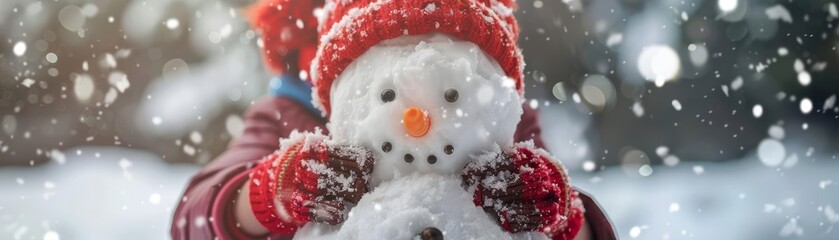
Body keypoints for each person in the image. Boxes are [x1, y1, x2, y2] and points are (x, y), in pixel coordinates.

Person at [171, 0, 616, 239]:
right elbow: (194, 221)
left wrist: (558, 216)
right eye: (394, 51)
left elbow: (581, 227)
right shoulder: (288, 115)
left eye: (439, 47)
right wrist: (270, 195)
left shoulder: (500, 119)